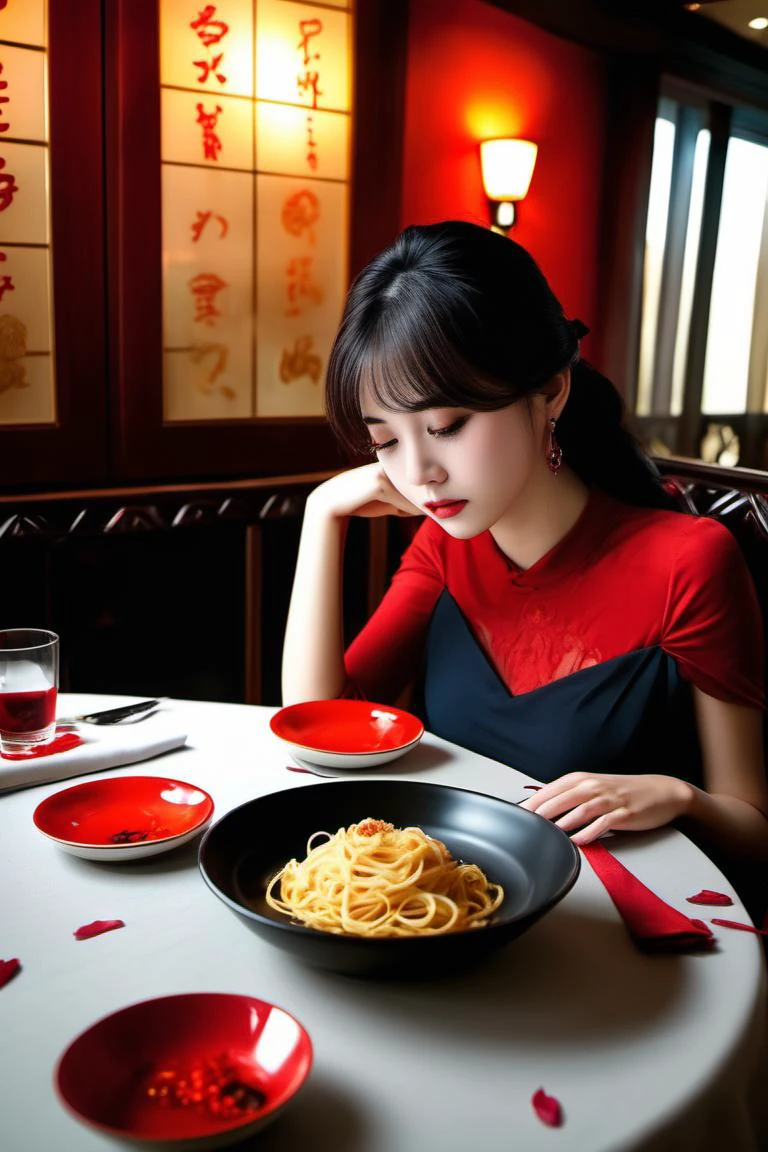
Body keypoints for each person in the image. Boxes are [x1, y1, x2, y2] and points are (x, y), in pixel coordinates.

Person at [282, 219, 768, 886]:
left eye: (446, 426)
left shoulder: (689, 561)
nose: (420, 471)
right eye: (386, 440)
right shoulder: (445, 546)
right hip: (465, 904)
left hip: (621, 924)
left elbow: (754, 834)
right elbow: (319, 731)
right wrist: (321, 516)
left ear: (551, 394)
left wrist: (680, 798)